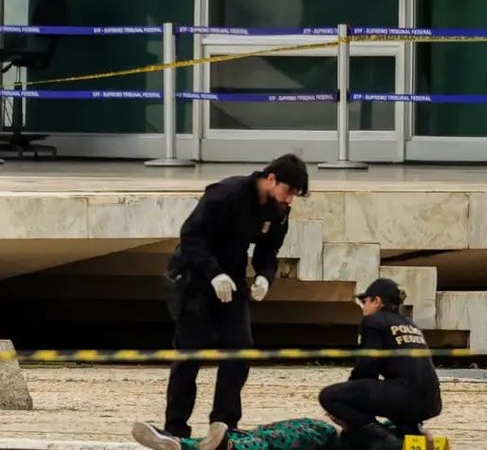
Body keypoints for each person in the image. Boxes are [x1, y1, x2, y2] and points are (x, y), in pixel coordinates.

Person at [156, 154, 310, 439]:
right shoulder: (227, 193)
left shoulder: (278, 210)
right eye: (289, 191)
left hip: (233, 278)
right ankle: (175, 427)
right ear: (271, 178)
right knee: (190, 354)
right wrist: (213, 273)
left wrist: (265, 275)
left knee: (240, 348)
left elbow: (268, 249)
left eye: (295, 196)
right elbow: (191, 235)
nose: (290, 200)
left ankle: (225, 423)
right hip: (194, 276)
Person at [319, 278, 443, 450]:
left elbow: (367, 367)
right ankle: (412, 433)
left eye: (365, 302)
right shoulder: (409, 324)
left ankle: (382, 440)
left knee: (330, 396)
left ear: (377, 301)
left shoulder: (374, 321)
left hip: (405, 396)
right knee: (389, 392)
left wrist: (349, 401)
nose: (363, 308)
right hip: (431, 402)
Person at [132, 419, 340, 450]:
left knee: (272, 440)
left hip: (336, 441)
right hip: (338, 433)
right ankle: (179, 443)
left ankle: (229, 446)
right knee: (264, 433)